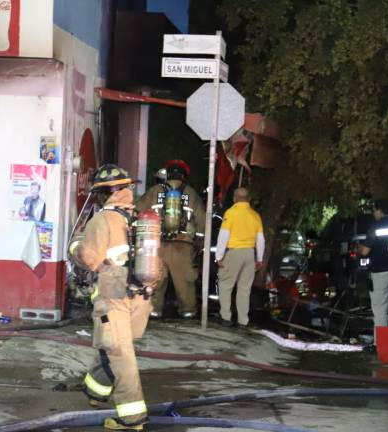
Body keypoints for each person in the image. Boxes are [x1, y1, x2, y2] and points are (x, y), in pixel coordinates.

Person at [68, 164, 154, 431]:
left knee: (120, 353)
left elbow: (88, 259)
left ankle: (132, 419)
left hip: (113, 296)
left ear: (104, 194)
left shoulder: (102, 219)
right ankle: (95, 392)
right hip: (140, 296)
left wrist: (75, 247)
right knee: (111, 346)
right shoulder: (139, 219)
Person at [135, 159, 205, 318]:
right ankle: (188, 311)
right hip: (183, 245)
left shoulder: (154, 191)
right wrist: (199, 242)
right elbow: (202, 220)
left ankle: (153, 310)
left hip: (157, 244)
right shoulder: (191, 193)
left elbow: (138, 210)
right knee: (184, 282)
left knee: (156, 279)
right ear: (184, 176)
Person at [215, 187, 265, 327]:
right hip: (249, 254)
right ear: (249, 199)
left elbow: (223, 236)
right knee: (244, 289)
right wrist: (259, 259)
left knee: (225, 285)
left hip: (234, 253)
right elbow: (260, 239)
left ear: (234, 198)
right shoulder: (255, 215)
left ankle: (226, 317)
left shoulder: (230, 213)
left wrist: (219, 256)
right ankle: (243, 321)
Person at [359, 199, 388, 339]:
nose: (374, 213)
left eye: (374, 210)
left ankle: (382, 344)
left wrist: (359, 246)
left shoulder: (376, 227)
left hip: (380, 272)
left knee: (380, 308)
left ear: (380, 211)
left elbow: (365, 251)